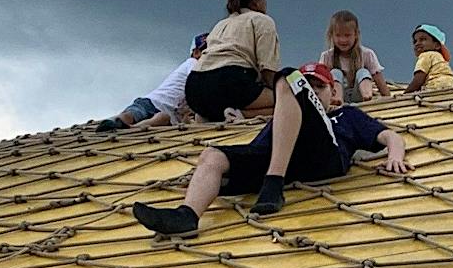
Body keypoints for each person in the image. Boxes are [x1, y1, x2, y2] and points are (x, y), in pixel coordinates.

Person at [132, 64, 409, 235]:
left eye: (318, 86)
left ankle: (273, 184)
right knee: (213, 154)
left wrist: (395, 157)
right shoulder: (281, 118)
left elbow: (389, 136)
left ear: (332, 93)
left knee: (288, 76)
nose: (312, 89)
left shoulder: (346, 115)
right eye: (309, 84)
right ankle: (188, 215)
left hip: (322, 154)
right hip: (277, 158)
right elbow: (256, 149)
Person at [185, 0, 281, 122]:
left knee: (211, 110)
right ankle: (240, 114)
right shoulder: (262, 20)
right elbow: (268, 70)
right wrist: (279, 92)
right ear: (255, 0)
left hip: (195, 87)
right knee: (290, 102)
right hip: (230, 81)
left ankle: (210, 116)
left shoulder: (221, 24)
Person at [97, 36, 207, 132]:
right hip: (153, 102)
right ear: (196, 53)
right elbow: (198, 81)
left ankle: (130, 128)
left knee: (163, 118)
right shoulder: (193, 63)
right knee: (132, 114)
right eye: (207, 52)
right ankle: (114, 123)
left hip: (167, 113)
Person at [322, 10, 390, 104]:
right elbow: (321, 82)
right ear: (332, 36)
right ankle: (337, 98)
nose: (343, 40)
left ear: (356, 35)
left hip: (358, 96)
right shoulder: (327, 56)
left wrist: (389, 99)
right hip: (338, 95)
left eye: (347, 35)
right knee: (335, 72)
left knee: (363, 72)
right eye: (338, 35)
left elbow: (379, 80)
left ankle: (367, 95)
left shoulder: (367, 54)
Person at [403, 23, 453, 93]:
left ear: (437, 45)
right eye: (415, 41)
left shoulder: (426, 55)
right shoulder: (440, 58)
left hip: (436, 86)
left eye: (422, 39)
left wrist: (405, 94)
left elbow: (418, 80)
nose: (417, 43)